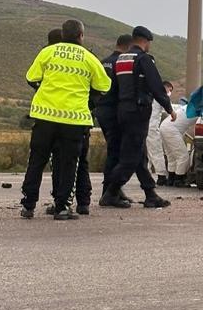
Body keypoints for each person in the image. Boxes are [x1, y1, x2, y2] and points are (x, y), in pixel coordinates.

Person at [20, 19, 111, 219]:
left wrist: (45, 88)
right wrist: (88, 97)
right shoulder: (89, 58)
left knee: (36, 160)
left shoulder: (48, 52)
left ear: (62, 34)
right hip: (74, 119)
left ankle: (28, 205)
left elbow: (31, 77)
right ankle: (62, 207)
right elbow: (104, 86)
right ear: (81, 36)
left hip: (44, 116)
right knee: (69, 164)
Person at [101, 26, 176, 209]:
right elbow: (156, 86)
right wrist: (169, 108)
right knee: (130, 158)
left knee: (139, 154)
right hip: (138, 112)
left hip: (122, 111)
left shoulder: (121, 59)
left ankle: (150, 193)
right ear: (145, 41)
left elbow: (115, 88)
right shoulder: (144, 59)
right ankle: (110, 192)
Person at [42, 28, 95, 216]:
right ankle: (82, 202)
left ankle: (62, 201)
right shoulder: (86, 59)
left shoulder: (50, 59)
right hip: (81, 118)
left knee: (62, 163)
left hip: (55, 120)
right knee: (79, 162)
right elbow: (99, 87)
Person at [94, 34, 133, 200]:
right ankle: (109, 192)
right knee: (116, 152)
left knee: (114, 150)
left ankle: (114, 190)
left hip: (101, 110)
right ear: (129, 47)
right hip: (115, 111)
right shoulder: (121, 63)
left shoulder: (102, 62)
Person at [160, 97, 197, 186]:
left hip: (164, 126)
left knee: (172, 156)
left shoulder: (189, 106)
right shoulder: (201, 110)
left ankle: (171, 179)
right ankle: (179, 180)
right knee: (183, 156)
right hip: (172, 129)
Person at [147, 81, 174, 185]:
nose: (169, 92)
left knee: (147, 154)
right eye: (170, 90)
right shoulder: (161, 96)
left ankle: (146, 177)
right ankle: (161, 176)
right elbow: (170, 110)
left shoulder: (150, 93)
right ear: (165, 87)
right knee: (157, 151)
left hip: (142, 126)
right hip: (152, 128)